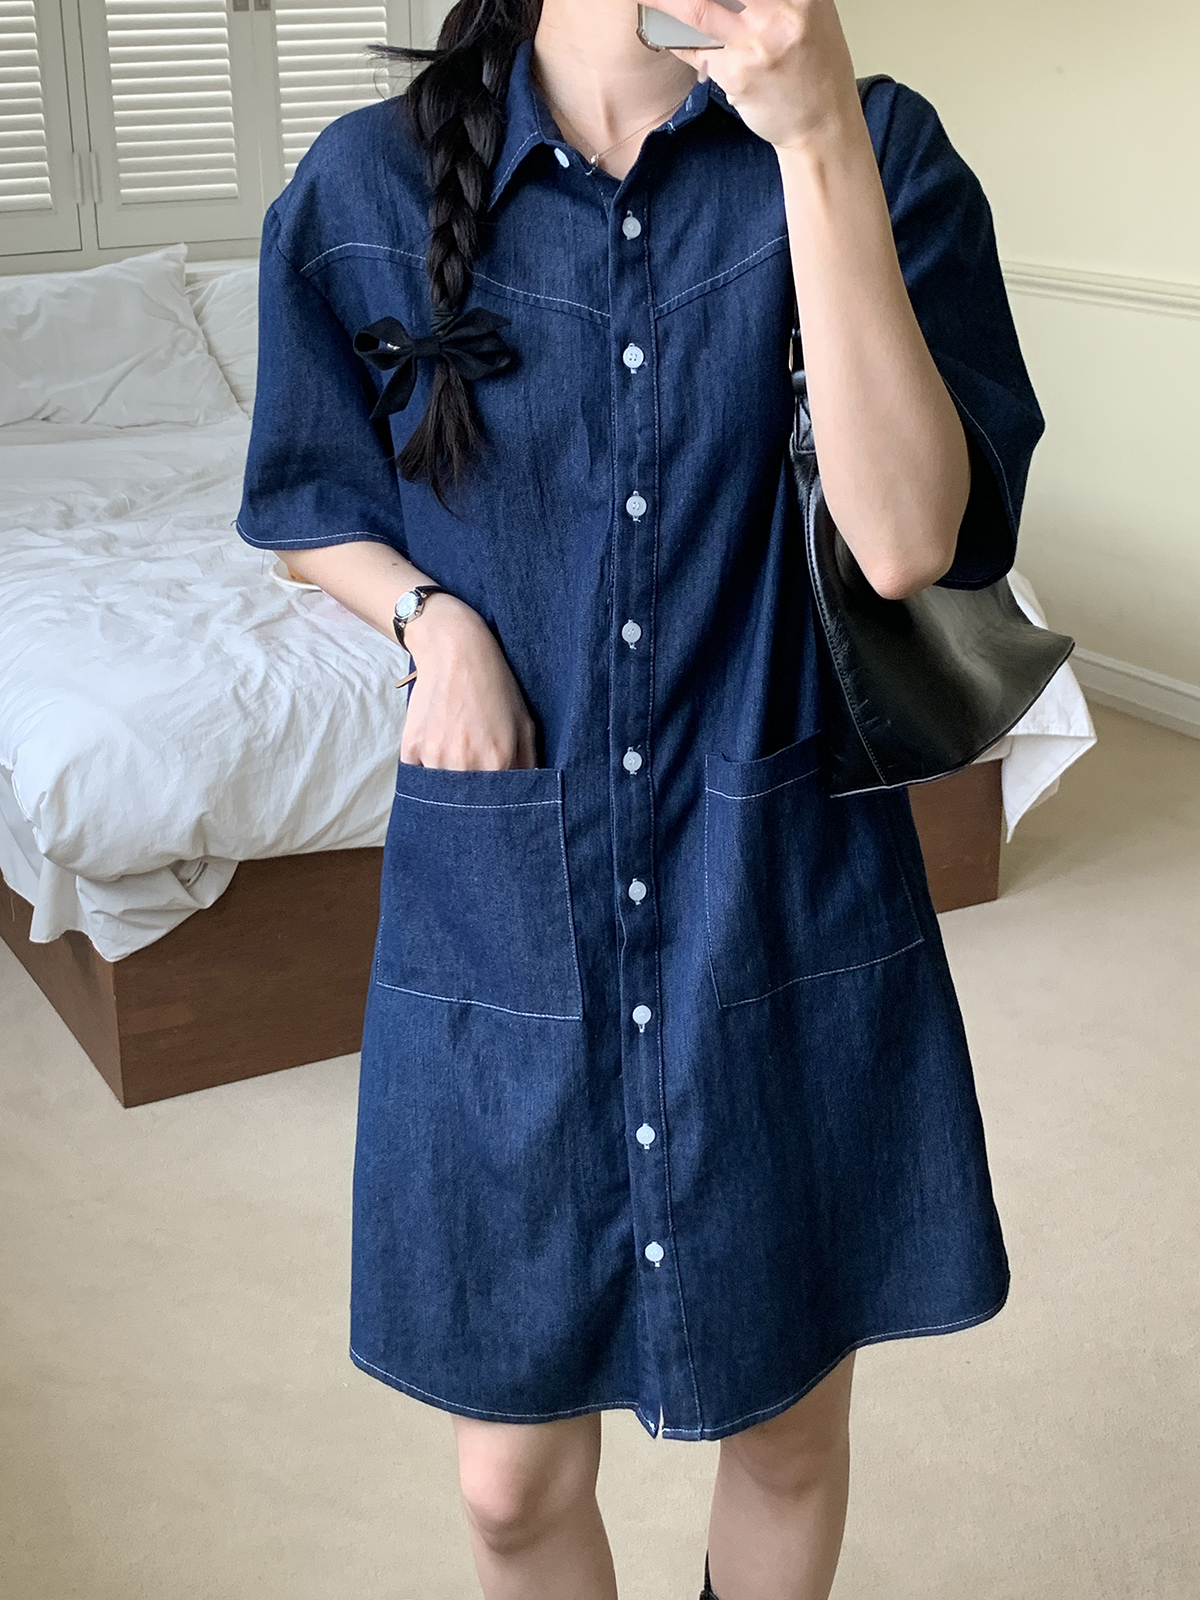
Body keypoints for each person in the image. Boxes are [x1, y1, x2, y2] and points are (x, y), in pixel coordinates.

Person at [236, 0, 1043, 1594]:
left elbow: (905, 544)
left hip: (778, 887)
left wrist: (815, 134)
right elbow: (308, 495)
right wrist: (431, 620)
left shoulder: (878, 147)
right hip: (506, 906)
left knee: (786, 1432)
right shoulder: (363, 185)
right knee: (507, 1487)